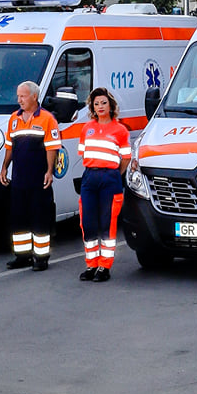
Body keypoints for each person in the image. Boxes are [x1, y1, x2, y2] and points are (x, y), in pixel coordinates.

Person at [0, 81, 59, 271]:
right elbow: (9, 146)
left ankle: (41, 258)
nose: (19, 100)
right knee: (19, 218)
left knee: (40, 217)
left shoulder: (47, 119)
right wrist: (4, 167)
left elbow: (52, 148)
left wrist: (49, 171)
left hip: (39, 178)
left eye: (23, 96)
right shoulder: (14, 118)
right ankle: (22, 256)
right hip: (19, 178)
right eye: (18, 96)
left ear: (34, 96)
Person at [76, 88, 133, 283]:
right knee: (88, 222)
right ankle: (91, 265)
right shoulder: (87, 128)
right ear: (92, 107)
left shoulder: (120, 130)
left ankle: (104, 266)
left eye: (103, 103)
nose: (100, 107)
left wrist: (114, 174)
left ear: (111, 106)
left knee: (107, 224)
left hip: (110, 178)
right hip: (89, 178)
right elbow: (83, 153)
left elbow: (126, 158)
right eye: (96, 104)